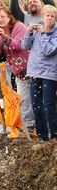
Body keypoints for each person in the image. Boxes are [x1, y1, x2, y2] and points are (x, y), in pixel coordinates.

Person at [0, 7, 35, 134]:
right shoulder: (1, 33)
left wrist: (4, 37)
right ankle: (23, 125)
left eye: (3, 16)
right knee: (21, 98)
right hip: (16, 70)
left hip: (29, 67)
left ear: (9, 17)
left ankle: (29, 126)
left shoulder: (19, 26)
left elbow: (19, 45)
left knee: (27, 98)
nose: (0, 19)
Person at [22, 5, 57, 141]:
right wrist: (29, 33)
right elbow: (25, 46)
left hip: (50, 74)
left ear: (55, 18)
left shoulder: (55, 33)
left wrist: (43, 34)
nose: (49, 18)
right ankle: (43, 136)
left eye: (52, 16)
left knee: (49, 104)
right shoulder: (37, 30)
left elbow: (49, 51)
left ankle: (54, 134)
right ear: (42, 17)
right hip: (34, 72)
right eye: (47, 15)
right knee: (36, 105)